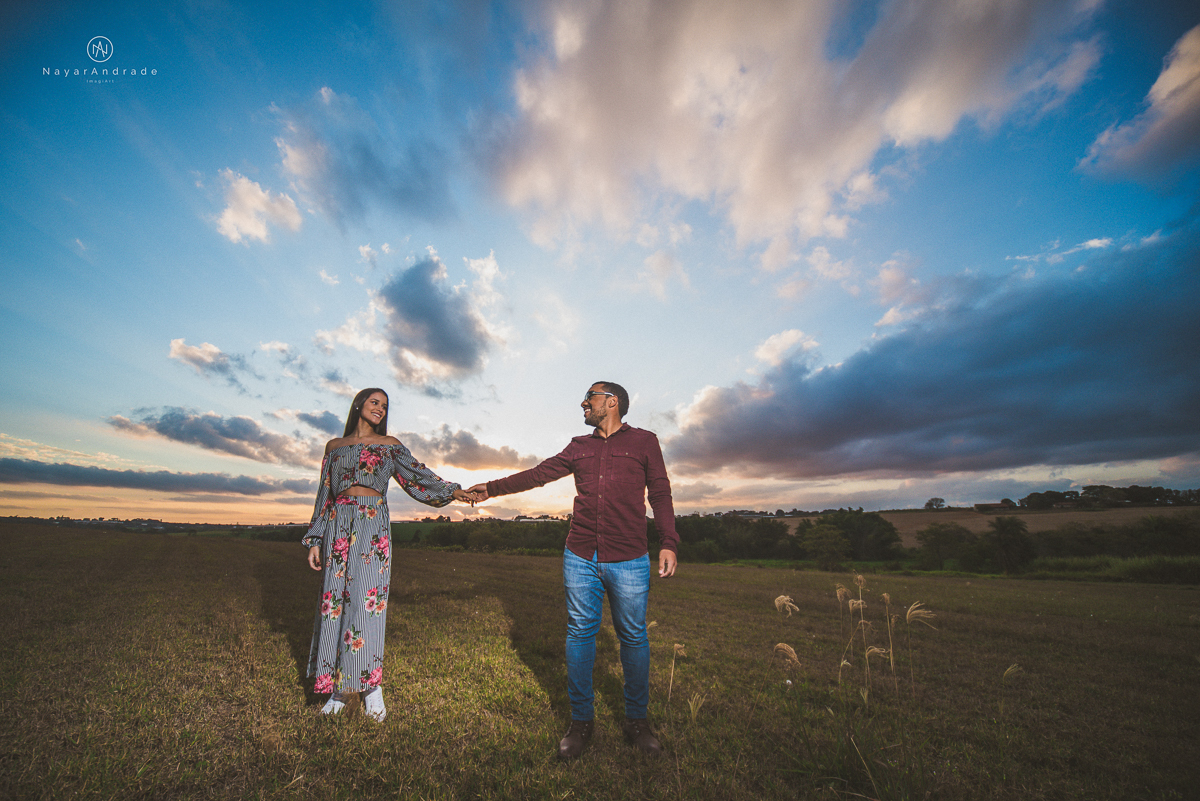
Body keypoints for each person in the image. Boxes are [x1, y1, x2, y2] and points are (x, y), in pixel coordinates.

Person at [468, 381, 678, 759]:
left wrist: (668, 541)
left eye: (590, 397)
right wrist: (492, 489)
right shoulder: (579, 446)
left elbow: (660, 493)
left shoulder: (645, 441)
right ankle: (581, 722)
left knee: (632, 637)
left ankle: (637, 722)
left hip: (629, 557)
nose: (583, 402)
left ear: (611, 402)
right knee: (580, 633)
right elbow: (539, 474)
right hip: (580, 555)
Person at [303, 387, 477, 721]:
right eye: (374, 402)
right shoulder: (334, 448)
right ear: (358, 405)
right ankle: (339, 691)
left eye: (385, 405)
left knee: (367, 606)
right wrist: (315, 539)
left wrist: (454, 491)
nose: (380, 409)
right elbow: (324, 494)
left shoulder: (390, 446)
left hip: (372, 524)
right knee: (334, 604)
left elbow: (418, 475)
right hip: (338, 523)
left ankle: (370, 688)